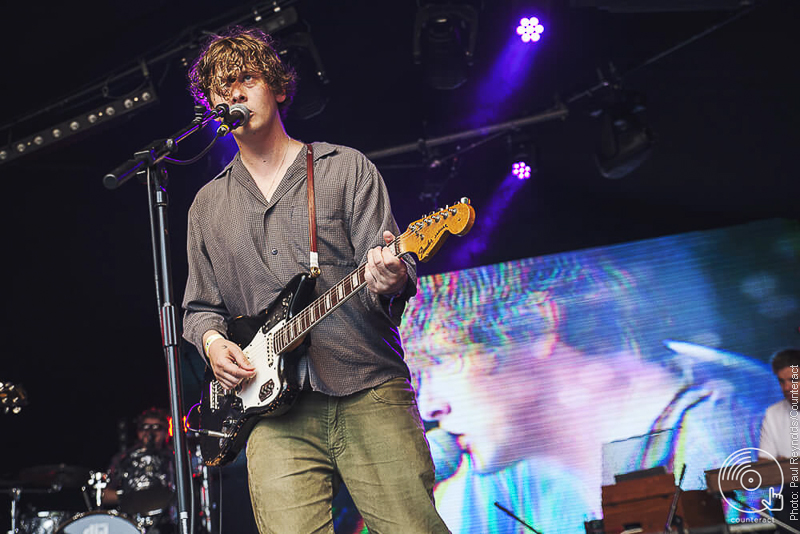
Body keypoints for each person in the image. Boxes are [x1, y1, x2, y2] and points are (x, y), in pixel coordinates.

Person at [182, 26, 449, 534]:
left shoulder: (344, 170)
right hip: (270, 414)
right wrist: (214, 344)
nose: (233, 93)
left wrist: (389, 276)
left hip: (366, 386)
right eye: (221, 88)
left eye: (246, 79)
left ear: (278, 87)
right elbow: (199, 309)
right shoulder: (206, 207)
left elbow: (395, 271)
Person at [401, 245, 777, 533]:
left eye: (437, 363)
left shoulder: (725, 433)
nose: (429, 407)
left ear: (532, 327)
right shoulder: (496, 460)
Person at [103, 408, 175, 533]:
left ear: (165, 432)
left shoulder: (174, 457)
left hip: (169, 524)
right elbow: (105, 495)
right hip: (131, 524)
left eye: (157, 427)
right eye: (145, 427)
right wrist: (132, 497)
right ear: (138, 432)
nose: (150, 432)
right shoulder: (123, 459)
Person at [758, 348, 800, 533]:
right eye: (782, 381)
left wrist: (785, 463)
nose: (786, 387)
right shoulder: (772, 413)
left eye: (793, 380)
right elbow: (765, 465)